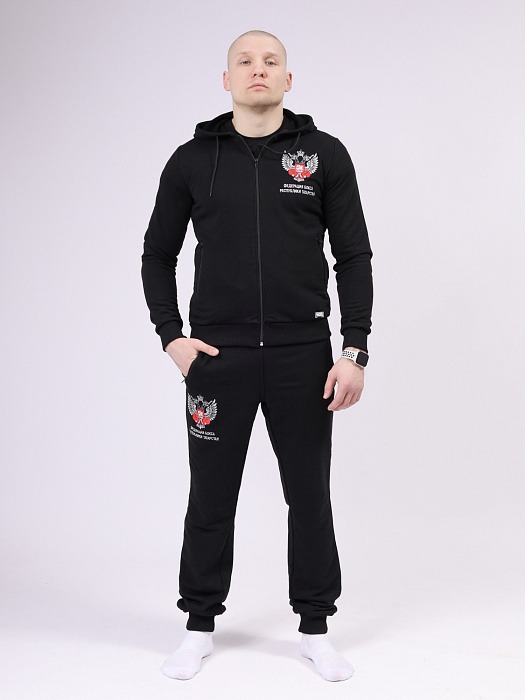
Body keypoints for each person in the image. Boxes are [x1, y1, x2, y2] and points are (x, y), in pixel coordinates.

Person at [141, 29, 373, 682]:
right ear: (227, 80)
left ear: (288, 79)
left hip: (305, 356)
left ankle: (315, 629)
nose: (258, 69)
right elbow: (157, 254)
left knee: (309, 495)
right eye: (244, 61)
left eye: (271, 61)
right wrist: (172, 337)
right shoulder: (192, 160)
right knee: (210, 496)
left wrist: (354, 350)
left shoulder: (323, 155)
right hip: (218, 358)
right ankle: (197, 627)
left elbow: (353, 255)